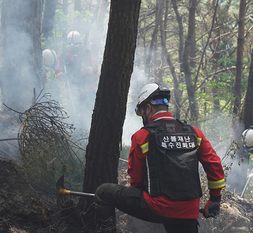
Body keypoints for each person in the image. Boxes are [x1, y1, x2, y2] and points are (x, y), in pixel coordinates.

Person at [92, 83, 226, 233]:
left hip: (157, 207)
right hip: (189, 211)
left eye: (142, 112)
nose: (142, 116)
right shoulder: (195, 133)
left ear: (148, 108)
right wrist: (215, 199)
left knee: (103, 192)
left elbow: (135, 181)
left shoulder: (142, 136)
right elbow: (214, 166)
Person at [55, 30, 98, 122]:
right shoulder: (63, 56)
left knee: (88, 114)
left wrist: (85, 70)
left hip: (88, 89)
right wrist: (63, 76)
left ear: (80, 44)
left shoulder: (87, 53)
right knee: (73, 115)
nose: (73, 48)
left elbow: (95, 67)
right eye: (70, 45)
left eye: (75, 45)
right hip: (72, 91)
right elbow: (58, 71)